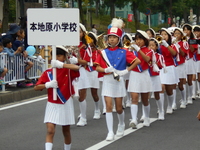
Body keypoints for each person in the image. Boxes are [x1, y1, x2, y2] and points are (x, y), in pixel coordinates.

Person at [95, 18, 140, 141]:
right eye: (110, 37)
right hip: (108, 81)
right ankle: (110, 131)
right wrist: (104, 71)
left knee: (119, 108)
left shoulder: (124, 51)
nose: (112, 39)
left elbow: (137, 61)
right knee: (109, 107)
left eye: (114, 37)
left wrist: (126, 70)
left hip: (119, 81)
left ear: (119, 39)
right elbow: (96, 67)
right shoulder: (102, 52)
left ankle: (121, 124)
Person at [34, 46, 80, 150]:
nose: (56, 58)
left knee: (66, 130)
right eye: (54, 56)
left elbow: (77, 68)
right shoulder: (48, 72)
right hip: (52, 102)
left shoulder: (68, 70)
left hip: (65, 101)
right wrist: (47, 85)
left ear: (64, 57)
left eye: (59, 56)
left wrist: (62, 65)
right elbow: (36, 87)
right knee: (50, 130)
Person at [75, 23, 101, 126]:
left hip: (89, 71)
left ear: (83, 33)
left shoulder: (86, 47)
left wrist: (77, 60)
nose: (77, 34)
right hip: (76, 71)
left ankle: (97, 109)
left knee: (94, 93)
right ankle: (83, 115)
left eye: (79, 32)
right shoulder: (71, 45)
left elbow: (87, 62)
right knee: (80, 95)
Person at [128, 30, 153, 128]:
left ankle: (146, 117)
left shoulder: (149, 50)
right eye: (136, 39)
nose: (138, 41)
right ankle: (134, 119)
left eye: (140, 39)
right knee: (134, 98)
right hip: (134, 74)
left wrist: (138, 50)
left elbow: (147, 59)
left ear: (145, 40)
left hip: (144, 75)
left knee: (145, 99)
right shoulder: (132, 51)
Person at [159, 28, 178, 114]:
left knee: (169, 90)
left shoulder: (172, 45)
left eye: (165, 34)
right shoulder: (158, 45)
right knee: (161, 88)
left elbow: (174, 53)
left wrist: (166, 45)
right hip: (160, 68)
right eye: (162, 34)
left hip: (169, 68)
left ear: (169, 36)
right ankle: (161, 108)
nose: (163, 36)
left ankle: (170, 105)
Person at [148, 38, 166, 120]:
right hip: (147, 76)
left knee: (157, 95)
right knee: (146, 96)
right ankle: (145, 114)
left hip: (155, 76)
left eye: (152, 45)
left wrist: (153, 59)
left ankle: (161, 110)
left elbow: (160, 66)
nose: (150, 47)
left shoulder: (159, 56)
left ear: (156, 47)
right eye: (149, 45)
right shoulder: (145, 54)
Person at [182, 24, 198, 104]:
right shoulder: (181, 40)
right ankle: (184, 98)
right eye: (184, 30)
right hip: (183, 61)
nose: (186, 31)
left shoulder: (193, 39)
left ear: (190, 31)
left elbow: (192, 50)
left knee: (190, 79)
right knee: (183, 80)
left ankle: (190, 96)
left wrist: (188, 41)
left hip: (190, 60)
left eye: (187, 30)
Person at [173, 28, 188, 109]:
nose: (176, 35)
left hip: (181, 64)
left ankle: (183, 99)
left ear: (181, 35)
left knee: (180, 85)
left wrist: (178, 46)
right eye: (175, 33)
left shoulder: (184, 43)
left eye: (178, 33)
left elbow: (183, 54)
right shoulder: (171, 43)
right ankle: (173, 103)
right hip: (173, 65)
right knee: (173, 85)